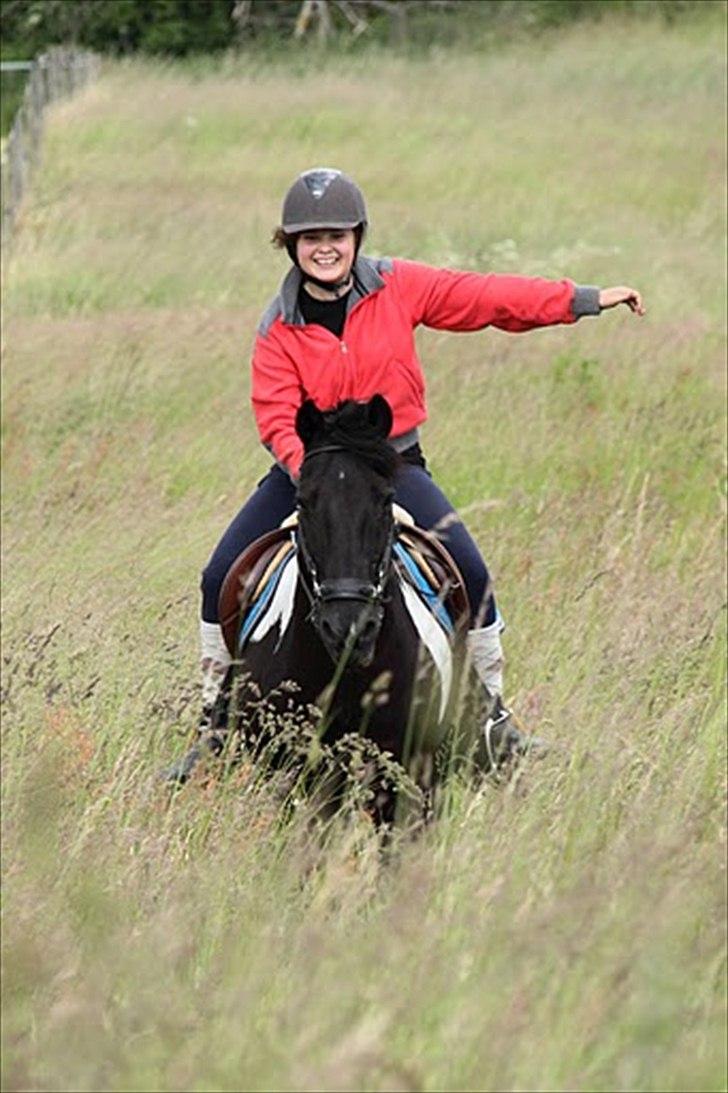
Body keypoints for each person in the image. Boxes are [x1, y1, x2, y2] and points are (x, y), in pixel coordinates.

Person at [198, 167, 644, 743]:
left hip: (393, 466)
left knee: (472, 575)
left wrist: (580, 300)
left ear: (357, 237)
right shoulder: (277, 326)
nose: (325, 248)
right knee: (218, 578)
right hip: (309, 473)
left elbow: (485, 297)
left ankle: (493, 720)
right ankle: (214, 721)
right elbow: (276, 415)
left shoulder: (397, 285)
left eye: (337, 235)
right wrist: (305, 472)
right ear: (292, 246)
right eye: (311, 238)